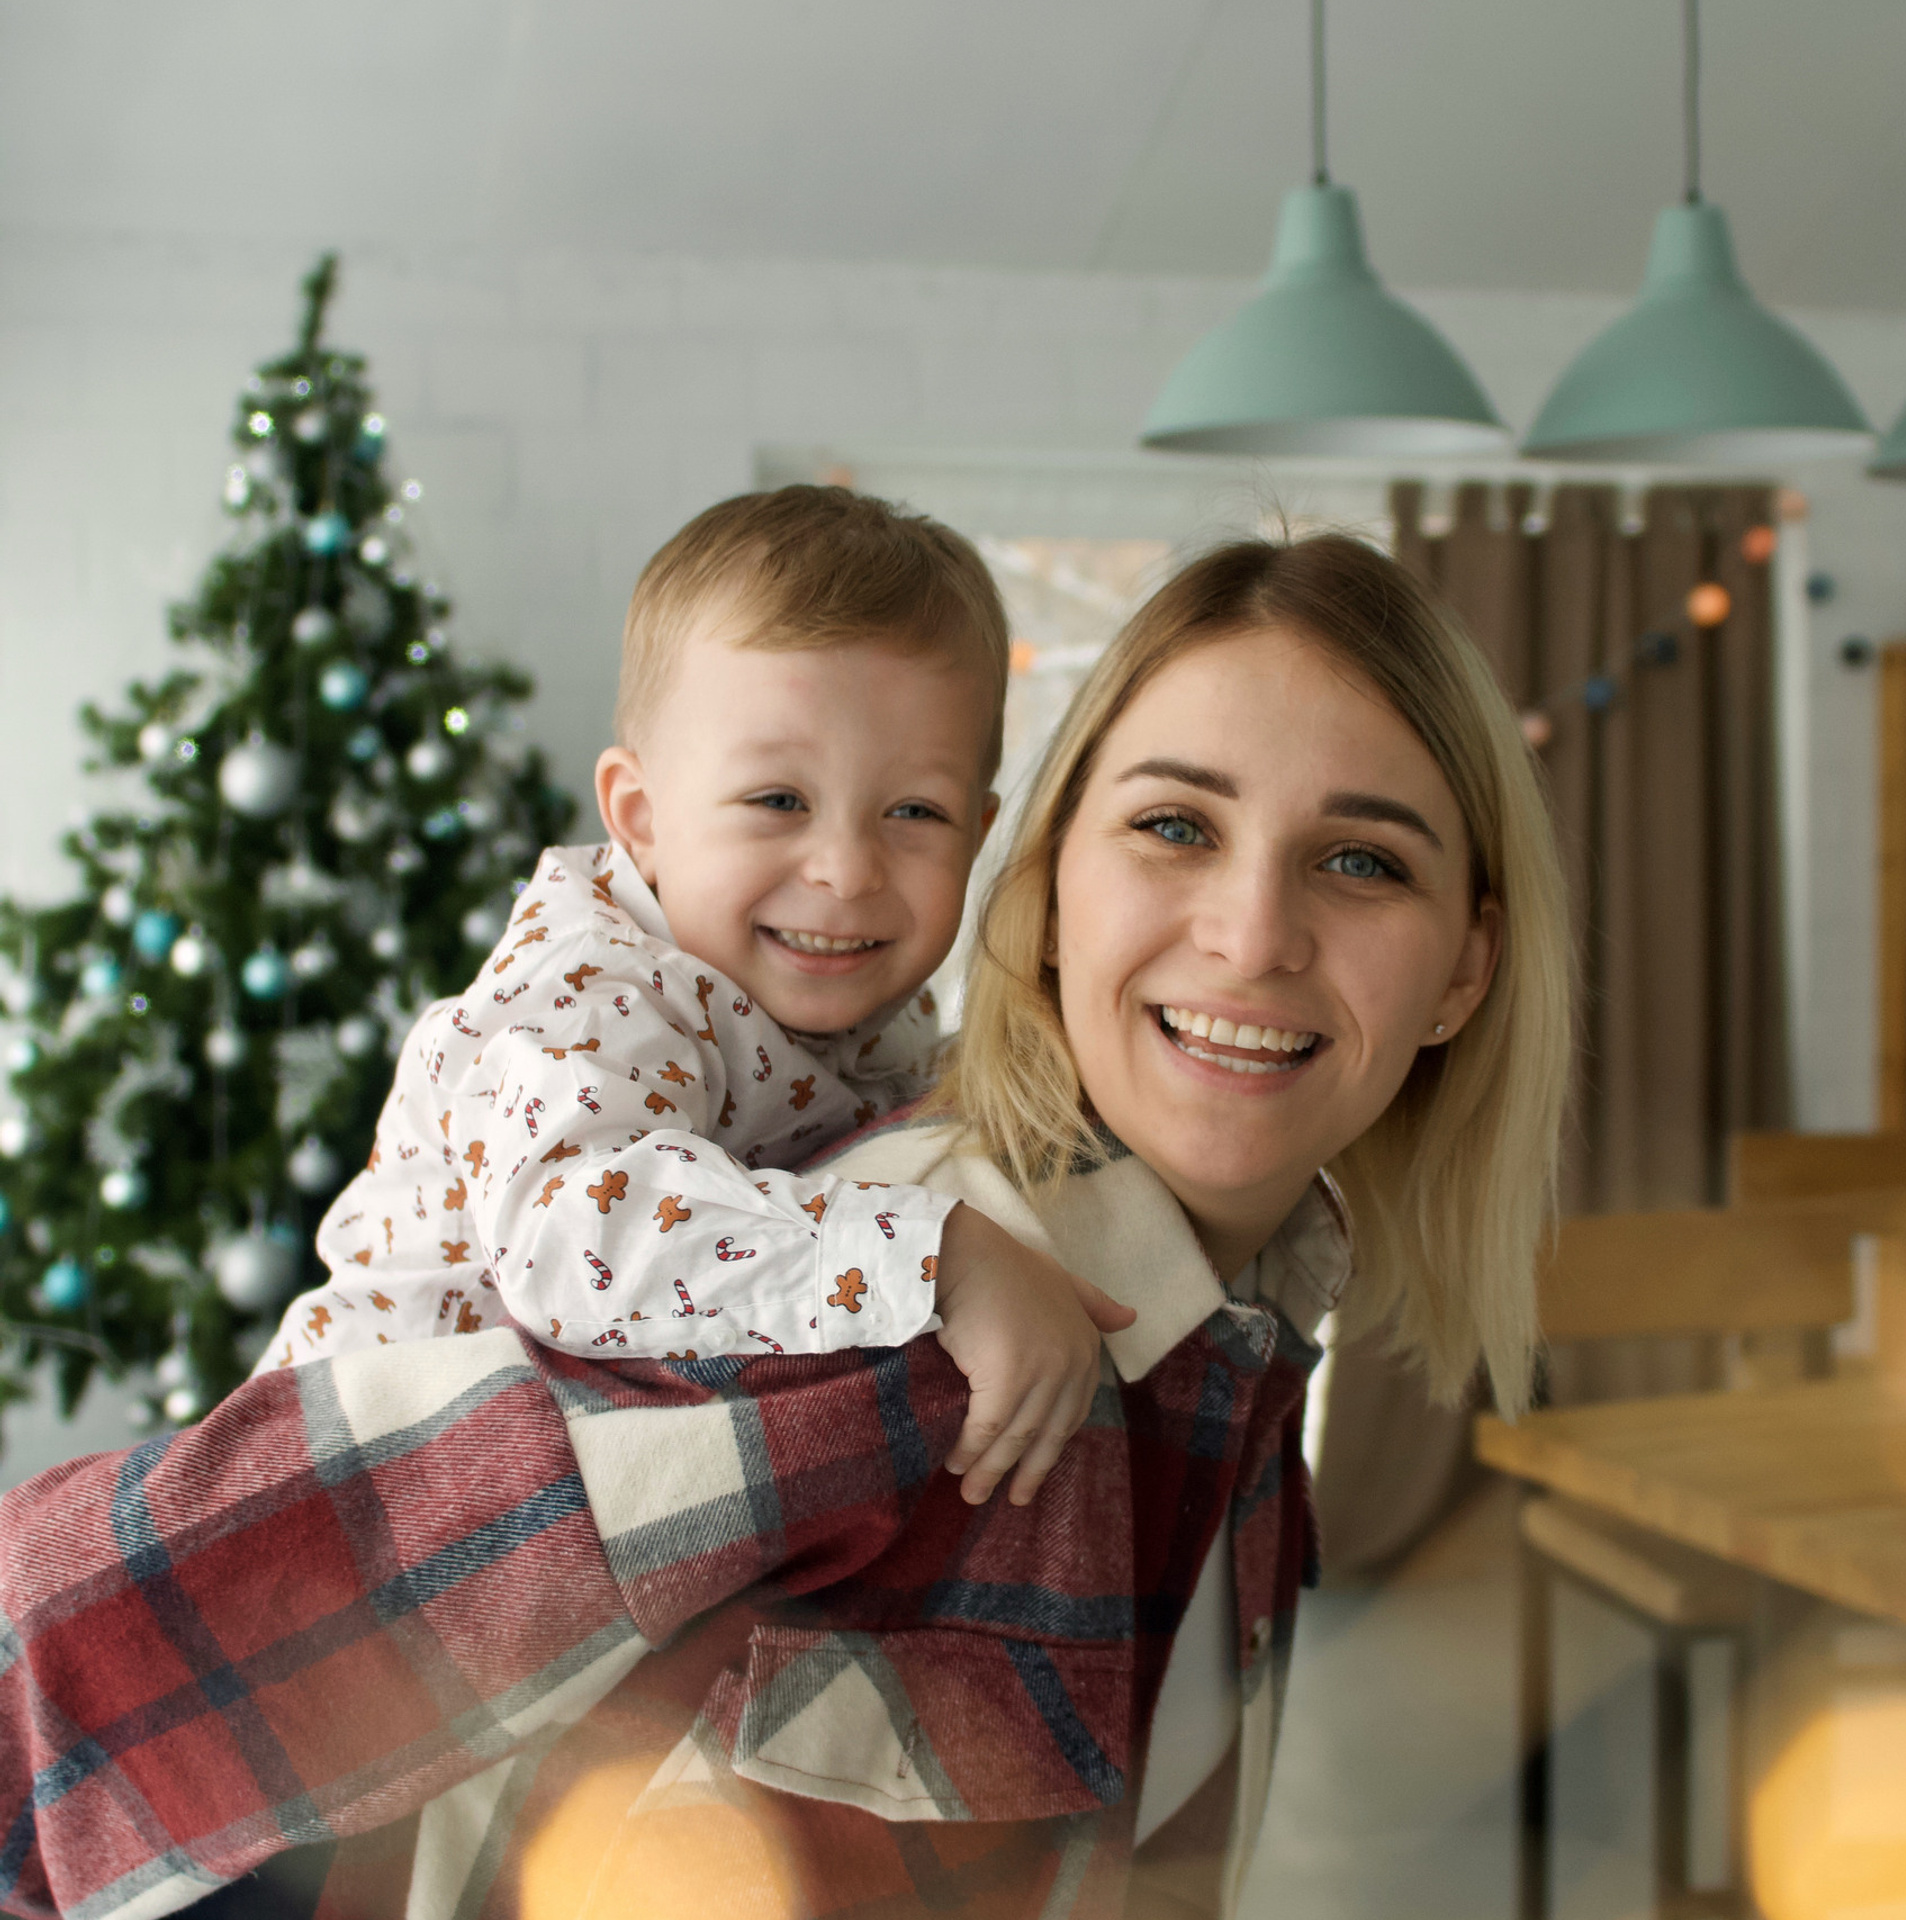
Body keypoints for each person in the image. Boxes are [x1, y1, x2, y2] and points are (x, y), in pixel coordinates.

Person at [0, 531, 1571, 1920]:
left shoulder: (1244, 1348)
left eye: (1361, 861)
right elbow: (95, 1622)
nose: (1252, 935)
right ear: (1050, 885)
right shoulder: (871, 1320)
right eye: (1174, 826)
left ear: (1462, 971)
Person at [259, 485, 1129, 1506]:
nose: (847, 869)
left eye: (913, 811)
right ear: (642, 818)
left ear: (978, 835)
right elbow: (584, 1241)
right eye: (777, 801)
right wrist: (945, 1259)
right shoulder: (592, 989)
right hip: (338, 1483)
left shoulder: (872, 1019)